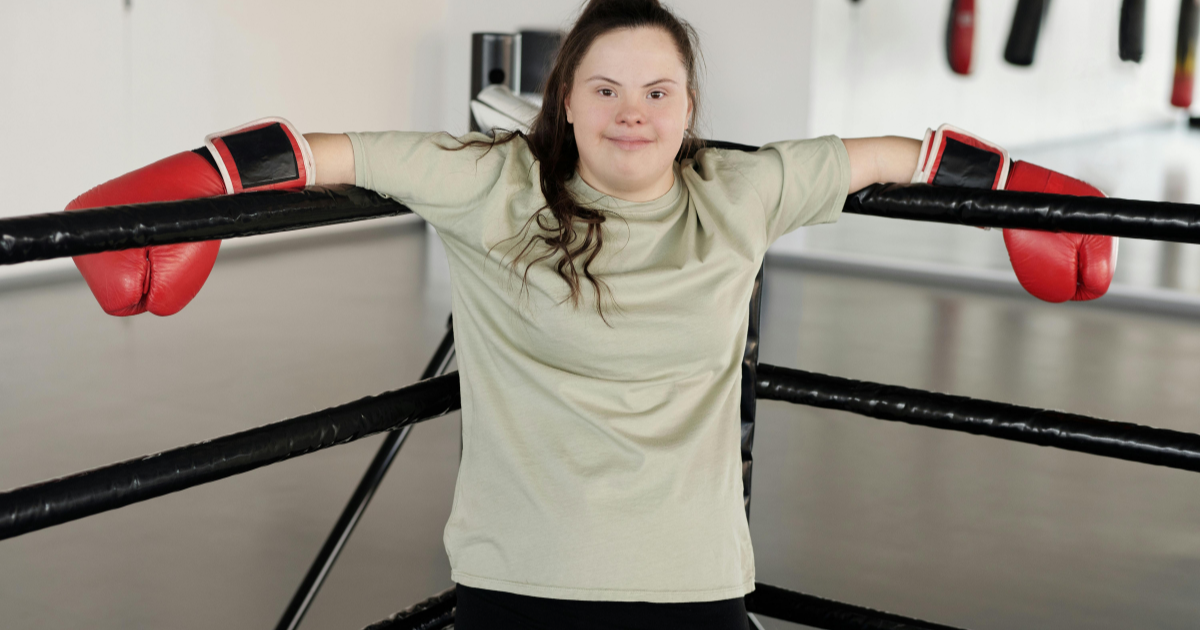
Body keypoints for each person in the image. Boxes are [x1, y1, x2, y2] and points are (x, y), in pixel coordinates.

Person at [64, 0, 1114, 627]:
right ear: (563, 98)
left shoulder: (740, 192)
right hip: (523, 586)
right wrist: (197, 180)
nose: (632, 113)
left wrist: (1022, 190)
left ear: (692, 109)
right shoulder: (491, 185)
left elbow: (906, 155)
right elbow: (319, 153)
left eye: (659, 91)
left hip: (695, 587)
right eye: (605, 89)